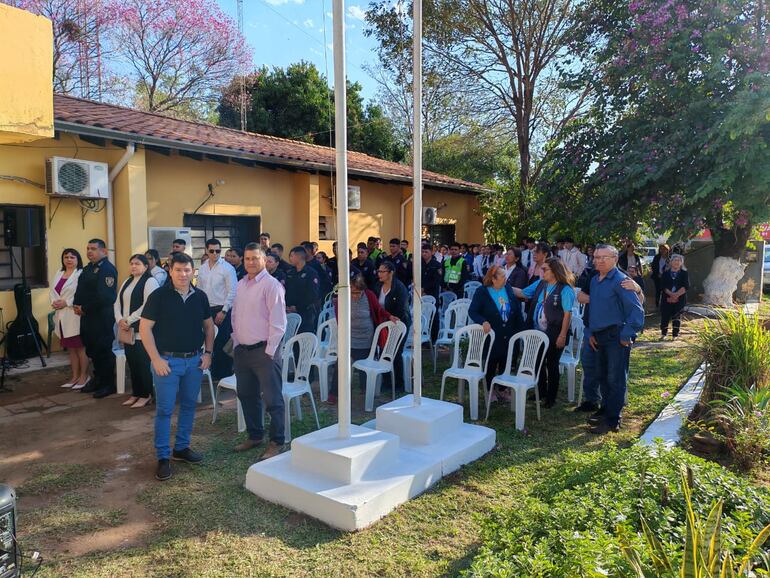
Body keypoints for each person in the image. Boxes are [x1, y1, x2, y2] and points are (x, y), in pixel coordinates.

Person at [140, 252, 215, 481]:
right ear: (170, 271)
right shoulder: (159, 296)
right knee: (164, 410)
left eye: (187, 270)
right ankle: (163, 456)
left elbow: (209, 327)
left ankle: (181, 448)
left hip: (194, 361)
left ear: (193, 271)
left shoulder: (200, 296)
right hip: (167, 363)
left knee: (190, 405)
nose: (183, 274)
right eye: (178, 270)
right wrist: (156, 359)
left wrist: (208, 353)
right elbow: (145, 329)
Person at [230, 244, 288, 460]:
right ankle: (255, 436)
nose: (251, 262)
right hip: (242, 351)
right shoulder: (241, 284)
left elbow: (279, 322)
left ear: (264, 260)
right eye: (247, 259)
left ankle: (277, 441)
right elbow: (236, 314)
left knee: (272, 399)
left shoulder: (272, 286)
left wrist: (270, 351)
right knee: (246, 394)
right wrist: (236, 342)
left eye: (255, 258)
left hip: (264, 352)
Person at [585, 244, 645, 434]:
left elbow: (636, 311)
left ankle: (613, 421)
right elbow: (593, 309)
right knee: (602, 376)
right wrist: (591, 332)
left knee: (615, 379)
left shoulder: (621, 281)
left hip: (616, 337)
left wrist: (627, 335)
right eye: (596, 257)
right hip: (599, 336)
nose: (598, 260)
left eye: (603, 257)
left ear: (614, 259)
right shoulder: (595, 280)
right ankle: (606, 411)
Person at [512, 258, 576, 408]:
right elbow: (522, 293)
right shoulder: (541, 284)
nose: (541, 271)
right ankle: (541, 391)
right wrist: (504, 286)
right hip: (538, 331)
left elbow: (568, 314)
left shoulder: (565, 289)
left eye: (545, 269)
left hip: (556, 332)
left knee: (552, 364)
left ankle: (551, 398)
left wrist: (562, 335)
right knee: (537, 362)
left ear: (555, 271)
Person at [328, 274, 391, 404]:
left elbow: (378, 309)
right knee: (341, 365)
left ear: (363, 289)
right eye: (352, 292)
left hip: (366, 337)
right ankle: (334, 393)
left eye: (358, 292)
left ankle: (365, 388)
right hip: (349, 337)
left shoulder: (369, 295)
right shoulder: (342, 298)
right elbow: (340, 319)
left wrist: (390, 317)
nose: (355, 295)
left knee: (364, 363)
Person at [73, 239, 118, 398]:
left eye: (93, 249)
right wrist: (76, 305)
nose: (89, 252)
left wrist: (84, 308)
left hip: (101, 317)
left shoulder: (107, 269)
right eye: (87, 248)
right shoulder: (88, 269)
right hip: (87, 317)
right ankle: (98, 379)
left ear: (104, 251)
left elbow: (105, 297)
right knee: (92, 349)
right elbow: (80, 290)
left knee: (102, 349)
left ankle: (108, 384)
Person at [469, 265, 526, 390]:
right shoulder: (482, 292)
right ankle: (490, 390)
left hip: (509, 331)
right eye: (503, 276)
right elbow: (473, 311)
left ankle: (503, 389)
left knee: (506, 361)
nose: (506, 278)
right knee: (491, 362)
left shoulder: (508, 288)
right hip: (493, 333)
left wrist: (522, 331)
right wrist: (483, 321)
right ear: (493, 279)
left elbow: (516, 310)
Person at [115, 254, 159, 408]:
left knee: (142, 364)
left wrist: (129, 320)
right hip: (127, 330)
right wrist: (120, 319)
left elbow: (148, 305)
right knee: (132, 363)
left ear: (146, 266)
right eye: (131, 263)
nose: (133, 266)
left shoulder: (150, 281)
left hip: (142, 330)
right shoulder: (127, 281)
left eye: (137, 263)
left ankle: (146, 395)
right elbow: (117, 303)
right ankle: (136, 393)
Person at [196, 238, 237, 380]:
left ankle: (224, 375)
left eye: (218, 251)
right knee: (208, 341)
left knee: (222, 342)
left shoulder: (227, 268)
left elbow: (232, 291)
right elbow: (199, 290)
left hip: (221, 309)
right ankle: (211, 372)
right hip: (206, 309)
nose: (215, 253)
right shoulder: (202, 268)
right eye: (212, 251)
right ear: (207, 250)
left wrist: (224, 311)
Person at [51, 248, 88, 389]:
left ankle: (84, 376)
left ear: (78, 259)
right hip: (61, 315)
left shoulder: (81, 274)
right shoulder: (59, 273)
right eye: (66, 257)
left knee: (80, 348)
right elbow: (53, 291)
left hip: (74, 315)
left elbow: (82, 293)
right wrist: (55, 302)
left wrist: (66, 302)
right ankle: (74, 376)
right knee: (71, 349)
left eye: (72, 257)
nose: (69, 259)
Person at [376, 261, 411, 393]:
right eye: (378, 271)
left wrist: (391, 319)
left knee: (395, 353)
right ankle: (386, 382)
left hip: (399, 324)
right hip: (384, 324)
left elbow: (402, 310)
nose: (379, 274)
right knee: (383, 351)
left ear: (390, 273)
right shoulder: (377, 286)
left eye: (382, 271)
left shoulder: (399, 287)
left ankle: (399, 384)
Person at [285, 246, 320, 332]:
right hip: (290, 312)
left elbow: (313, 294)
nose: (290, 259)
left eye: (292, 256)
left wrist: (298, 307)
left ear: (299, 257)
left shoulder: (311, 273)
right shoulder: (290, 272)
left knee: (304, 337)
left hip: (305, 313)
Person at [660, 254, 689, 340]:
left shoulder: (684, 273)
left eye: (679, 260)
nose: (677, 262)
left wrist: (676, 295)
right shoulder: (665, 273)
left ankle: (675, 335)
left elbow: (686, 286)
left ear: (681, 263)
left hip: (680, 298)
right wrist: (671, 295)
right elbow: (662, 286)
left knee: (677, 316)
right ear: (671, 262)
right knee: (665, 316)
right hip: (666, 298)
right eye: (675, 260)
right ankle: (663, 334)